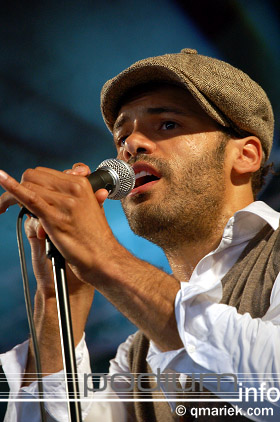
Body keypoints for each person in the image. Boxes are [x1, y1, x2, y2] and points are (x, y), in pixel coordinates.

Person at [0, 48, 279, 421]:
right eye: (121, 137)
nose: (131, 145)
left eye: (167, 124)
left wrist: (105, 258)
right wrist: (57, 301)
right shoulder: (138, 353)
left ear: (245, 155)